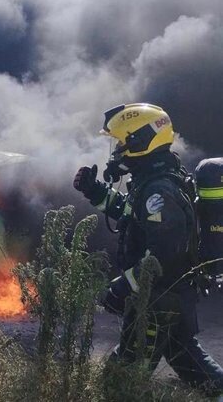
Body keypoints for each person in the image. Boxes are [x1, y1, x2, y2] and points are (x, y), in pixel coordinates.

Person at [73, 103, 223, 394]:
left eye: (121, 143)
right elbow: (131, 216)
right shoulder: (152, 180)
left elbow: (164, 257)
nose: (116, 152)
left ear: (141, 142)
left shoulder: (158, 191)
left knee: (121, 378)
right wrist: (95, 191)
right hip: (169, 296)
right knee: (190, 362)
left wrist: (123, 287)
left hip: (159, 300)